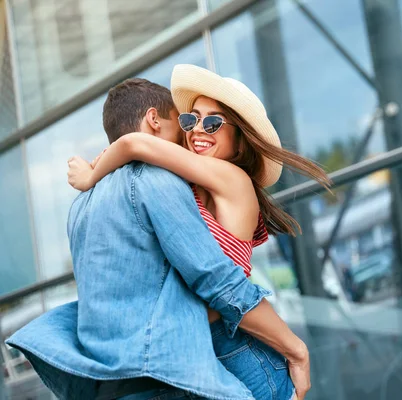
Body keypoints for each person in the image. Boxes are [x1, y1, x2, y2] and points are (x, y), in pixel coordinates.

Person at [6, 76, 312, 400]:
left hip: (236, 347)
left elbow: (133, 144)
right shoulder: (181, 185)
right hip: (199, 358)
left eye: (213, 122)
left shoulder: (230, 178)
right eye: (190, 119)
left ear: (240, 140)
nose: (196, 129)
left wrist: (92, 174)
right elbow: (136, 151)